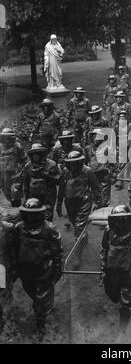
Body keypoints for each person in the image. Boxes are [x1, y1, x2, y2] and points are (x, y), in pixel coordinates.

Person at [6, 198, 63, 337]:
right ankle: (40, 307)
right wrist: (14, 268)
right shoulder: (19, 227)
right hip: (25, 270)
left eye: (34, 213)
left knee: (42, 296)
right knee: (30, 290)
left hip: (43, 270)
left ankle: (41, 318)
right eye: (28, 213)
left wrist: (57, 270)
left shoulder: (49, 229)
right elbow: (14, 248)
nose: (31, 217)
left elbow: (57, 252)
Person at [100, 205, 131, 330]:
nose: (119, 223)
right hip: (112, 272)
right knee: (113, 296)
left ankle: (123, 329)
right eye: (116, 220)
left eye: (122, 219)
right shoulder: (108, 231)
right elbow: (104, 250)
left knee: (125, 304)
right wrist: (102, 270)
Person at [56, 151, 102, 240]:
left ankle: (79, 247)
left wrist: (98, 202)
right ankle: (82, 236)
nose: (73, 166)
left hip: (84, 201)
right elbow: (62, 187)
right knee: (74, 221)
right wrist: (59, 203)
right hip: (69, 201)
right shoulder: (66, 171)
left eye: (75, 163)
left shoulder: (87, 171)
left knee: (79, 224)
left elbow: (95, 187)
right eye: (71, 163)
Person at [23, 144, 61, 222]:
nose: (35, 156)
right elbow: (26, 182)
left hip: (48, 193)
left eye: (37, 153)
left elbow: (58, 180)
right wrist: (26, 197)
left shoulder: (51, 164)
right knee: (34, 215)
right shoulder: (28, 166)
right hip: (33, 193)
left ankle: (48, 231)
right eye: (33, 154)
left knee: (47, 216)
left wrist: (47, 176)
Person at [0, 128, 26, 207]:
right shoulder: (0, 146)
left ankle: (17, 212)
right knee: (5, 193)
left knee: (15, 193)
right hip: (2, 174)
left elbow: (24, 160)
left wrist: (20, 172)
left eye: (8, 137)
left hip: (14, 175)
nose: (7, 140)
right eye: (5, 137)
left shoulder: (17, 146)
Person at [87, 129, 112, 208]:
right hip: (93, 174)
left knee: (105, 194)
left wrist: (114, 172)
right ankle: (97, 207)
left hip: (104, 173)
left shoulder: (107, 148)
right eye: (94, 137)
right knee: (95, 193)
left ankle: (104, 208)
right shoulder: (88, 148)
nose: (95, 139)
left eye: (97, 136)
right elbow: (86, 160)